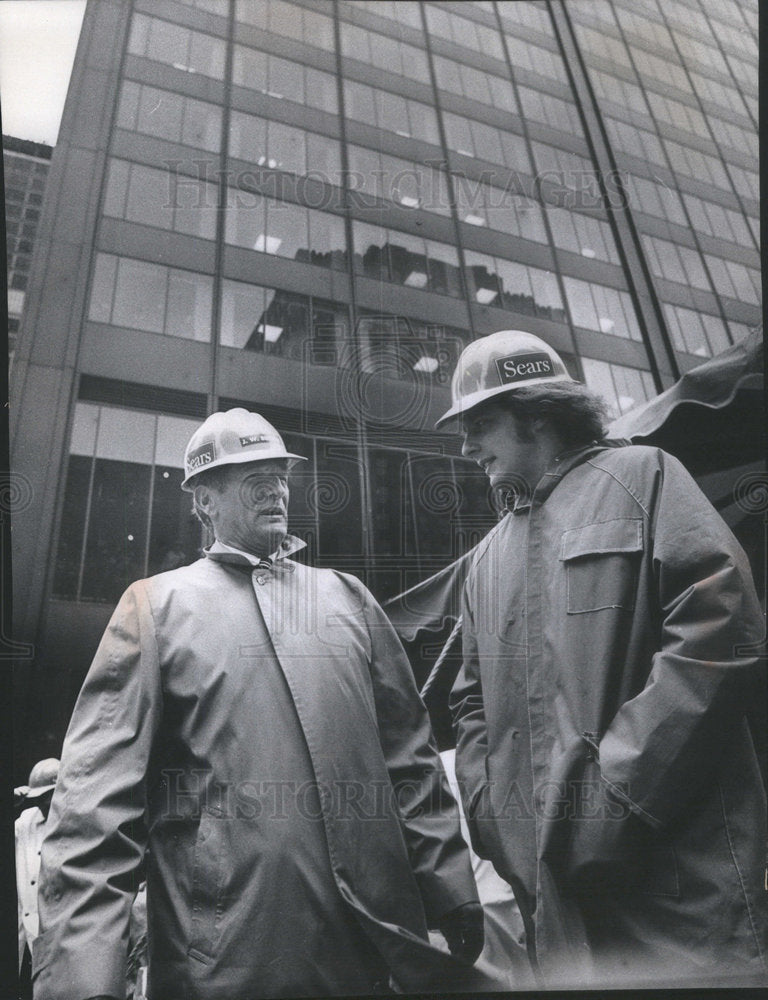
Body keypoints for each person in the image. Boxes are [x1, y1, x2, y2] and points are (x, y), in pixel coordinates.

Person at [33, 409, 489, 1000]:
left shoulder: (348, 598)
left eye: (280, 474)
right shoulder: (155, 608)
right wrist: (82, 980)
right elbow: (94, 807)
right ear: (204, 501)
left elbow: (411, 762)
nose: (276, 489)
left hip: (379, 951)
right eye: (254, 478)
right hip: (231, 964)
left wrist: (452, 888)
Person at [438, 329, 767, 989]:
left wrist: (615, 801)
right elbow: (468, 703)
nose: (467, 447)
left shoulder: (645, 475)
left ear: (539, 411)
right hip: (554, 919)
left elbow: (722, 624)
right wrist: (493, 818)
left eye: (482, 423)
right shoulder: (485, 560)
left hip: (681, 904)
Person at [16, 759, 60, 989]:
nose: (43, 801)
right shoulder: (25, 821)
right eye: (39, 796)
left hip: (58, 934)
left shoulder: (74, 822)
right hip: (26, 934)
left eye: (49, 795)